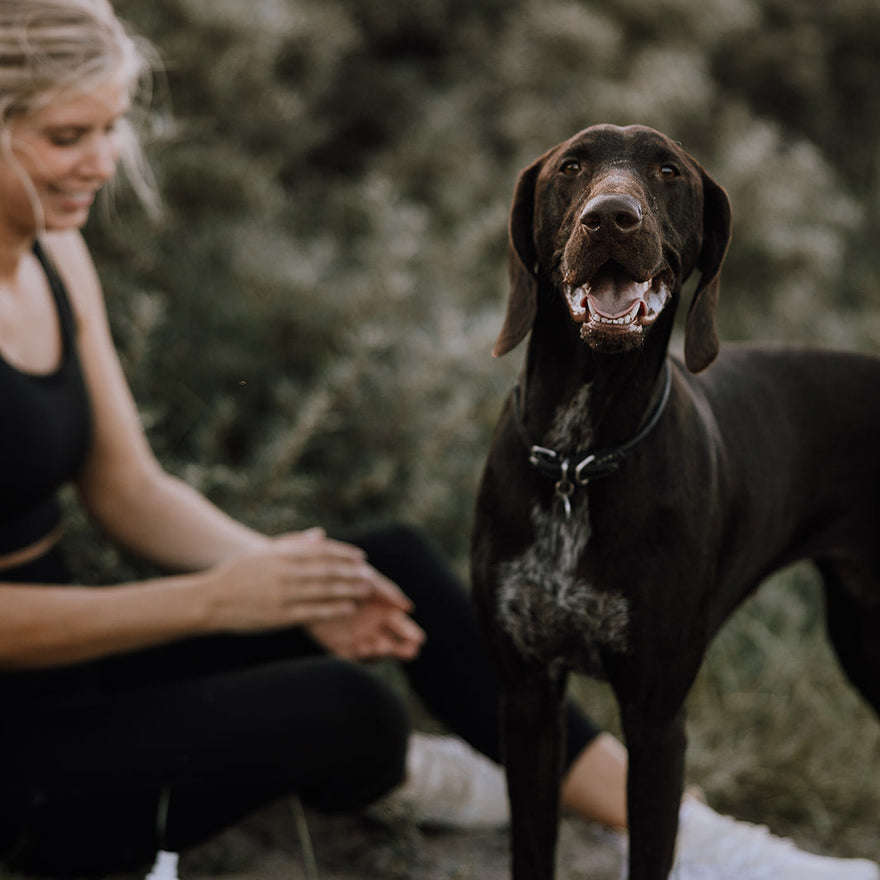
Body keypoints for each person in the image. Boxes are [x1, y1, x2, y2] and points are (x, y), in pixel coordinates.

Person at [0, 2, 876, 879]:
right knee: (350, 710)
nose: (103, 162)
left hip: (79, 665)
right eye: (68, 135)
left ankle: (683, 832)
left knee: (389, 564)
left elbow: (128, 490)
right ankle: (150, 833)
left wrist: (285, 581)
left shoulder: (54, 253)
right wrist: (215, 601)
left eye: (112, 128)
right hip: (18, 728)